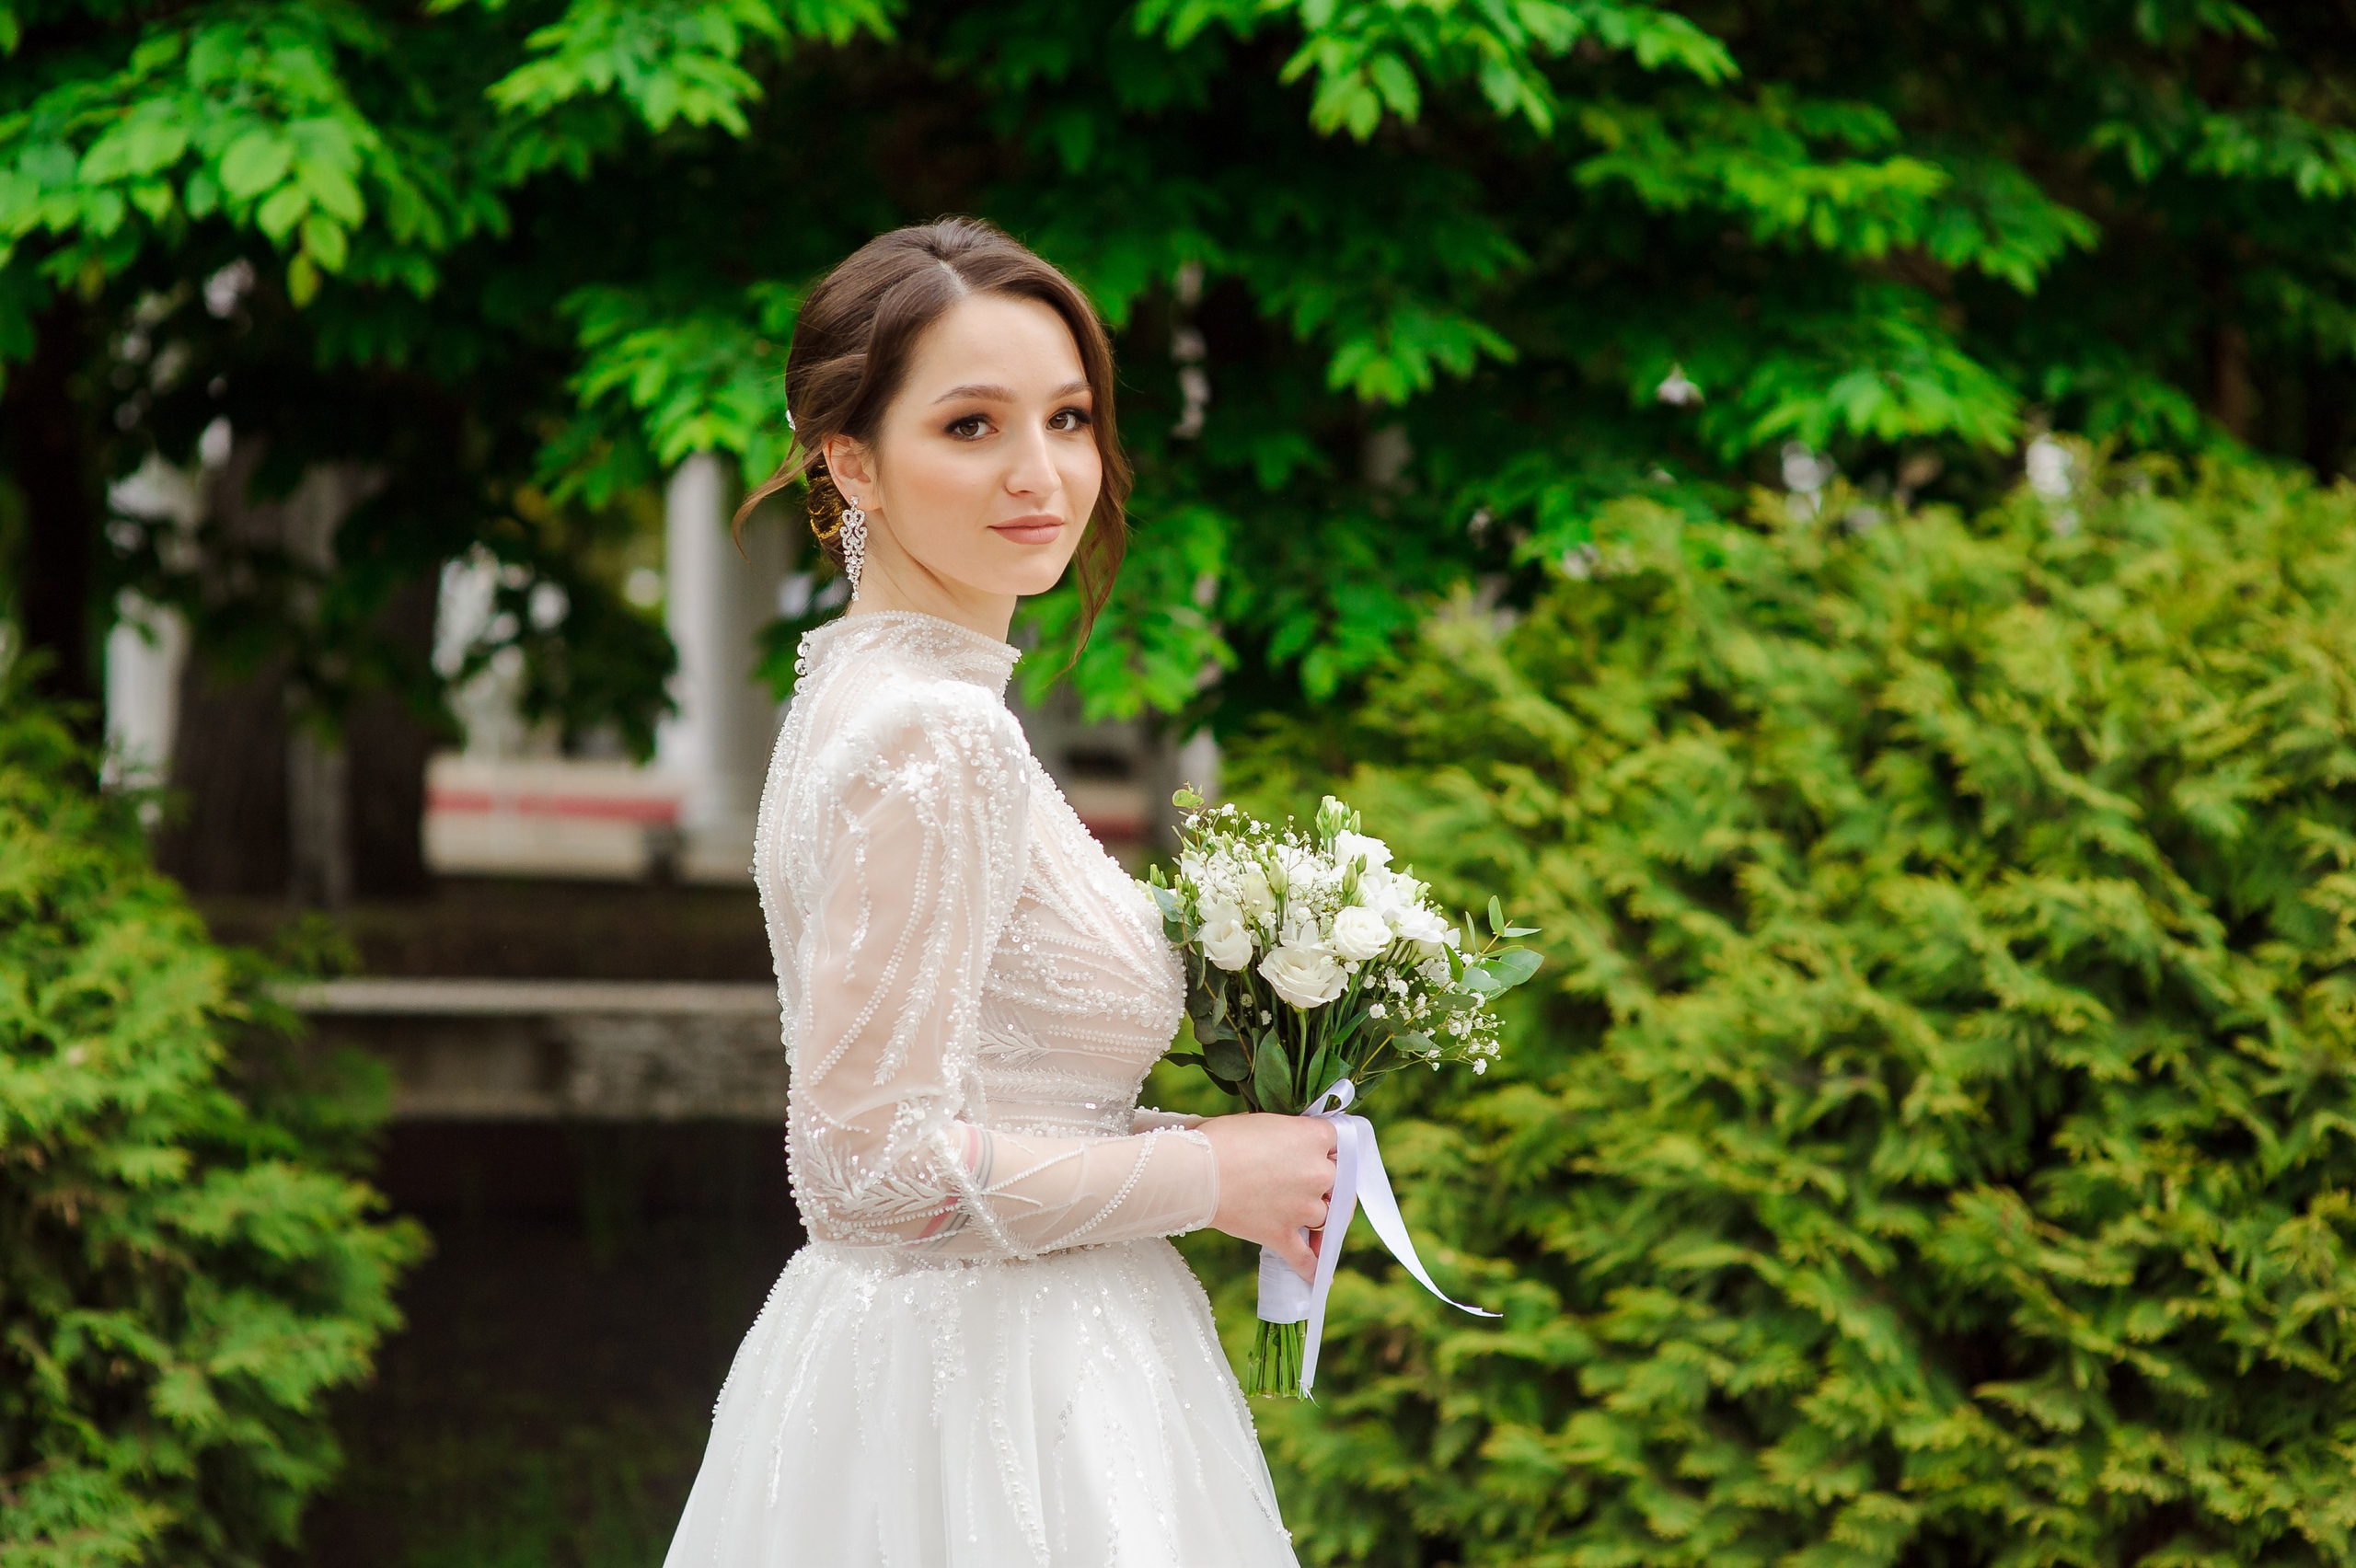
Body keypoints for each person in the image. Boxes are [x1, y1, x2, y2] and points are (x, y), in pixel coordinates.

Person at [661, 218, 1335, 1567]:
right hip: (994, 1401)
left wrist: (1232, 1156)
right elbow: (868, 1169)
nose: (1043, 475)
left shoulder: (858, 690)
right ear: (849, 459)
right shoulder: (933, 736)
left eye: (1070, 419)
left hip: (938, 1361)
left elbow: (975, 1101)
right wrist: (1211, 1171)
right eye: (971, 426)